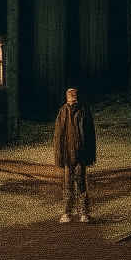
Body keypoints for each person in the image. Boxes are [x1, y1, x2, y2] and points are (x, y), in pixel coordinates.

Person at [52, 86, 96, 223]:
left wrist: (89, 154)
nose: (72, 99)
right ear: (67, 98)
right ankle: (67, 213)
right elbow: (58, 136)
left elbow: (90, 135)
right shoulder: (62, 112)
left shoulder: (84, 112)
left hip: (81, 154)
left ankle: (83, 213)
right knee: (67, 184)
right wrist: (59, 155)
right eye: (70, 96)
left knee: (82, 184)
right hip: (67, 154)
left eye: (74, 96)